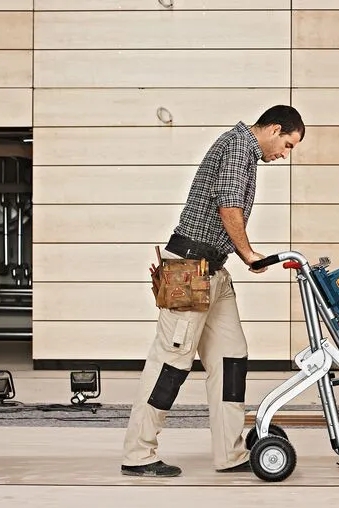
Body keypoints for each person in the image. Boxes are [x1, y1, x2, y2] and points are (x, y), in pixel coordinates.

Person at [121, 105, 305, 477]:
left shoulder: (243, 150)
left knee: (231, 359)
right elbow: (229, 205)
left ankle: (230, 453)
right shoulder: (239, 146)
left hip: (214, 270)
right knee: (171, 362)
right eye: (287, 144)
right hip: (190, 268)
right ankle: (138, 454)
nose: (284, 154)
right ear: (272, 129)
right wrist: (249, 253)